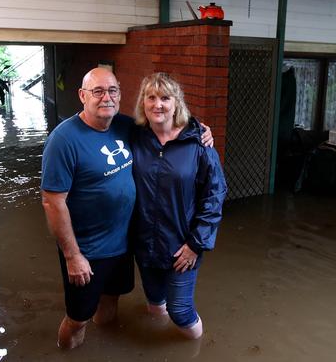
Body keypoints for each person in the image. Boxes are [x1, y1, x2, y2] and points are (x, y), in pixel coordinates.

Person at [41, 68, 213, 349]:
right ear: (82, 95)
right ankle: (67, 351)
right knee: (78, 317)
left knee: (111, 301)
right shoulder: (64, 139)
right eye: (97, 91)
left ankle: (108, 345)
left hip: (124, 245)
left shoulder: (125, 126)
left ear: (120, 95)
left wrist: (200, 129)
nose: (105, 98)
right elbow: (52, 201)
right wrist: (73, 256)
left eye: (112, 91)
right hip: (88, 250)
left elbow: (168, 121)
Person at [131, 72, 227, 340]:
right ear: (143, 103)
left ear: (177, 103)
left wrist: (197, 244)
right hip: (145, 242)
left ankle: (198, 348)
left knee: (181, 311)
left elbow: (215, 195)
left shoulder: (198, 142)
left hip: (183, 245)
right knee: (154, 302)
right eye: (151, 98)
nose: (157, 104)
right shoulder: (135, 137)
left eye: (165, 98)